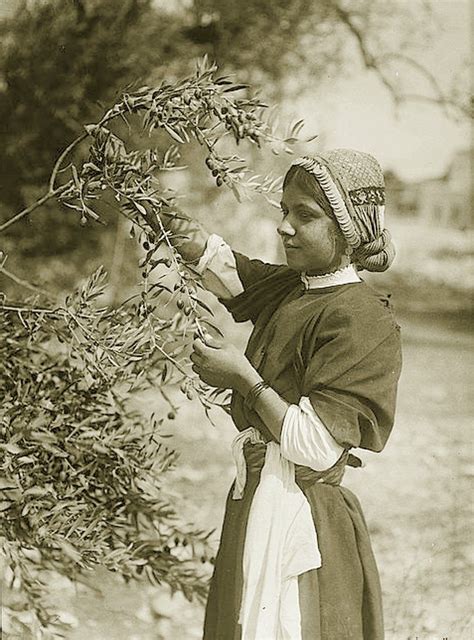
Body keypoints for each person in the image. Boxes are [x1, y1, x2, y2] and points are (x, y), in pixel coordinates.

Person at [161, 148, 402, 640]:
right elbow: (219, 264)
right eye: (284, 212)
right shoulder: (297, 287)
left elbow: (315, 446)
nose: (285, 227)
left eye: (305, 216)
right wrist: (144, 200)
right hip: (259, 495)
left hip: (300, 512)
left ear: (349, 229)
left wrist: (243, 378)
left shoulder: (359, 318)